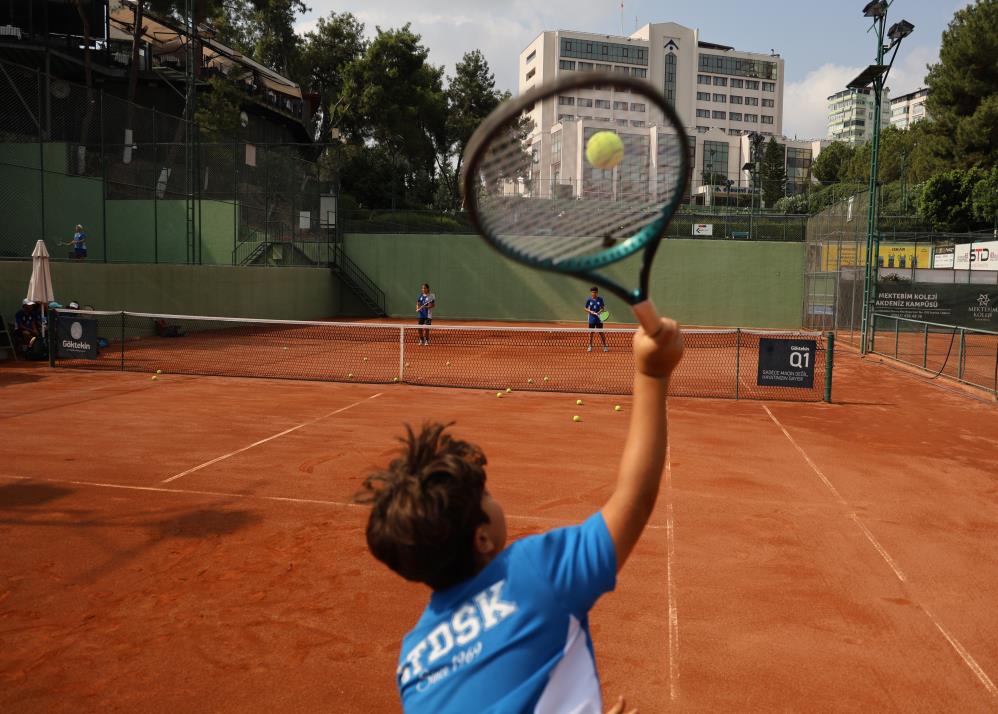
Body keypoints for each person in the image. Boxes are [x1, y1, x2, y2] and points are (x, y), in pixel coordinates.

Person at [358, 315, 684, 712]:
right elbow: (634, 498)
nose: (495, 499)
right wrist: (651, 373)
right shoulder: (533, 573)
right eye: (487, 495)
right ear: (482, 538)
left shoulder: (413, 662)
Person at [585, 286, 609, 353]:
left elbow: (602, 308)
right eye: (593, 292)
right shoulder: (588, 300)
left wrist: (598, 312)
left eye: (595, 292)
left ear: (597, 292)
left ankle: (605, 346)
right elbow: (585, 308)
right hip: (591, 319)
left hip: (599, 319)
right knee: (591, 333)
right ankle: (590, 346)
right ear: (591, 293)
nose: (594, 293)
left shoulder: (600, 299)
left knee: (601, 332)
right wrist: (590, 311)